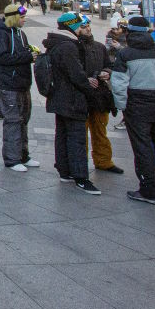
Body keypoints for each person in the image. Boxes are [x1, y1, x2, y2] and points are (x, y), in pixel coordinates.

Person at [110, 15, 155, 205]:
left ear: (129, 32)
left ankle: (150, 189)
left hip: (136, 105)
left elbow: (118, 84)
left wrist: (122, 106)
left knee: (143, 147)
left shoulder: (125, 54)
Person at [42, 13, 101, 195]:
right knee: (76, 137)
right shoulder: (68, 47)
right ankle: (80, 176)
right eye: (79, 25)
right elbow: (76, 75)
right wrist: (90, 88)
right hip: (72, 98)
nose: (83, 28)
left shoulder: (56, 44)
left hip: (59, 97)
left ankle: (65, 170)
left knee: (62, 134)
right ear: (71, 26)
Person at [0, 4, 40, 171]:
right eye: (22, 17)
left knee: (23, 120)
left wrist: (30, 53)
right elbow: (1, 57)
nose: (24, 20)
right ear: (13, 17)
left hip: (22, 83)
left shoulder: (21, 34)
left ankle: (23, 155)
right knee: (12, 120)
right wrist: (26, 56)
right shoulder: (0, 34)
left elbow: (19, 54)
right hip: (8, 84)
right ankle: (12, 159)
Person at [78, 18, 123, 176]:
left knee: (100, 130)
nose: (88, 29)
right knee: (80, 133)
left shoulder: (99, 47)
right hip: (81, 95)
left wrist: (106, 73)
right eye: (83, 27)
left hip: (99, 95)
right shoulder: (73, 47)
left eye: (88, 26)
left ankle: (104, 161)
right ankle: (80, 163)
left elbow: (110, 65)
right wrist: (86, 78)